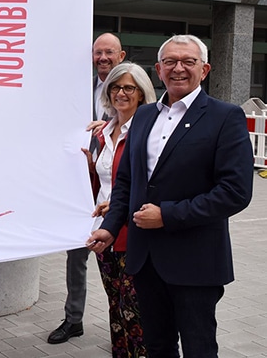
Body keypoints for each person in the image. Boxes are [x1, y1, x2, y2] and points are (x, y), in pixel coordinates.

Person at [87, 34, 254, 357]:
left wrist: (167, 215)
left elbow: (235, 192)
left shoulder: (225, 117)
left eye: (188, 62)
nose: (179, 68)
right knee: (157, 345)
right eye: (170, 62)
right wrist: (110, 226)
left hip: (195, 260)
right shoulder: (145, 116)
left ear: (204, 70)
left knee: (198, 347)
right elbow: (126, 181)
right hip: (145, 258)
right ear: (158, 70)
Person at [48, 33, 126, 344]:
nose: (103, 57)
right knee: (75, 256)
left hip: (115, 189)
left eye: (109, 52)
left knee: (121, 267)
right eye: (98, 52)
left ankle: (123, 330)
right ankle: (73, 319)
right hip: (81, 186)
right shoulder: (81, 89)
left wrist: (107, 127)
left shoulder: (130, 85)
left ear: (121, 55)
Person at [85, 62, 155, 357]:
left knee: (136, 311)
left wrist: (117, 206)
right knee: (115, 305)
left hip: (133, 232)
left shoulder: (150, 130)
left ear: (141, 93)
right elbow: (101, 179)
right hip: (104, 234)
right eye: (115, 87)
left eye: (129, 87)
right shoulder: (103, 132)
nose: (121, 93)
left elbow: (152, 181)